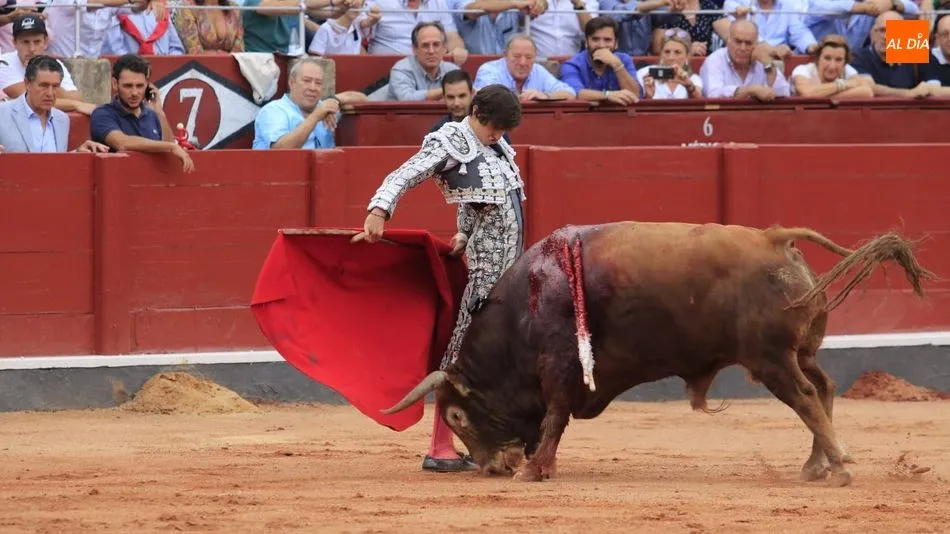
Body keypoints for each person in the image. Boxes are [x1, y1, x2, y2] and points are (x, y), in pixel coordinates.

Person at [351, 84, 525, 473]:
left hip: (508, 270)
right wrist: (379, 209)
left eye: (501, 129)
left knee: (498, 356)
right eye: (493, 127)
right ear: (476, 112)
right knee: (465, 355)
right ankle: (440, 447)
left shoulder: (493, 145)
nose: (498, 135)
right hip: (485, 273)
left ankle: (492, 441)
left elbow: (478, 198)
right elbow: (406, 172)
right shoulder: (451, 140)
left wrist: (462, 231)